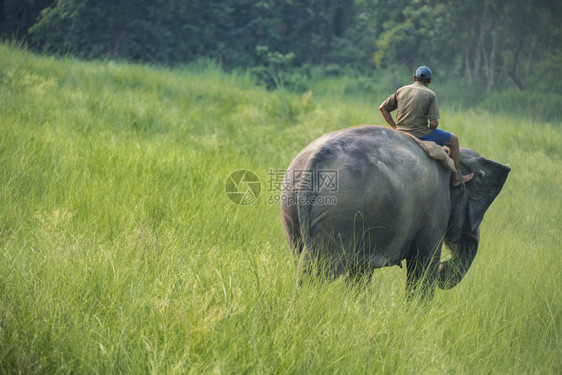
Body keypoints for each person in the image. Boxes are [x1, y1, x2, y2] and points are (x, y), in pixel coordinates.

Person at [379, 66, 474, 187]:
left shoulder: (401, 90)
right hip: (421, 134)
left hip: (401, 132)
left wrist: (395, 128)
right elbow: (434, 123)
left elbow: (382, 108)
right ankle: (456, 178)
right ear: (429, 81)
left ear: (414, 77)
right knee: (454, 140)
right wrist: (430, 128)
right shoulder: (430, 95)